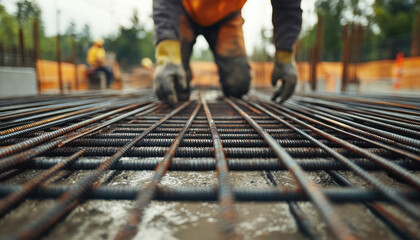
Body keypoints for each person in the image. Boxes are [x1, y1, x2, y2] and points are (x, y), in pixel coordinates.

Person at [153, 0, 302, 105]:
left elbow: (287, 4)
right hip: (183, 11)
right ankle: (181, 74)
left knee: (238, 85)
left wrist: (285, 57)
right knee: (172, 85)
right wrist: (167, 57)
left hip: (227, 17)